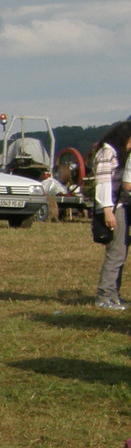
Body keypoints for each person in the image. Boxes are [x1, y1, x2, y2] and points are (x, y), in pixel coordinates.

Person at [91, 121, 131, 311]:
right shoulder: (106, 153)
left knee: (121, 252)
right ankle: (104, 296)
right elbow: (103, 184)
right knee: (115, 253)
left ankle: (114, 295)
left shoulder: (117, 154)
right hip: (112, 207)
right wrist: (108, 211)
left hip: (119, 205)